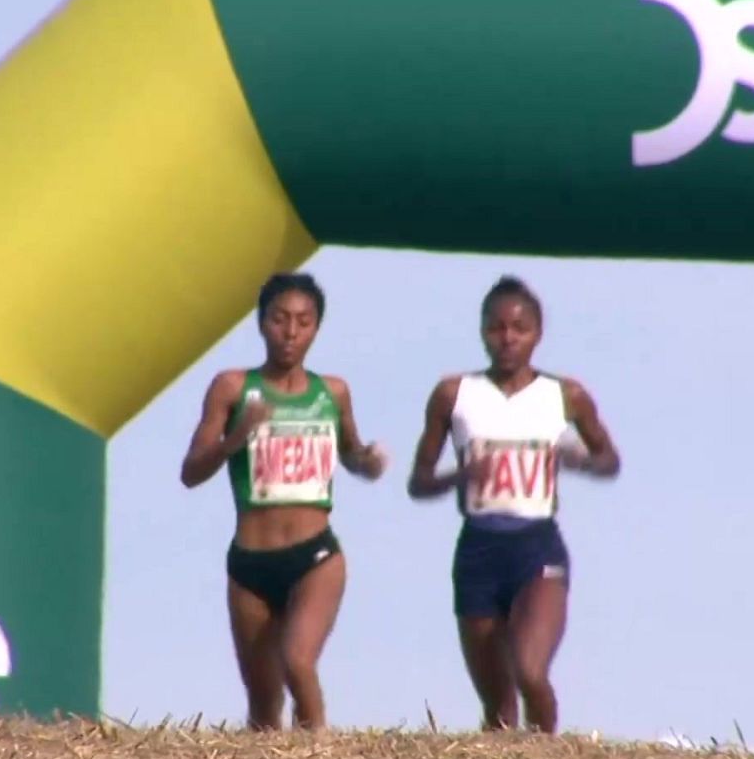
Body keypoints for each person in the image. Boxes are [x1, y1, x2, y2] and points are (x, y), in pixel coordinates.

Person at [406, 276, 621, 734]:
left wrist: (578, 461)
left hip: (537, 547)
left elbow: (609, 459)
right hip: (478, 551)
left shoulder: (565, 396)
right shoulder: (453, 395)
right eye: (496, 329)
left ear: (537, 334)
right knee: (498, 706)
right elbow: (419, 482)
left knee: (529, 671)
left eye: (518, 329)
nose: (507, 340)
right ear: (482, 332)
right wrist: (460, 475)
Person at [180, 272, 387, 731]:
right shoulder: (232, 388)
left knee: (298, 661)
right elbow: (190, 472)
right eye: (280, 320)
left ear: (316, 328)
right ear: (261, 324)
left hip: (314, 556)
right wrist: (237, 436)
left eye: (303, 322)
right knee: (262, 704)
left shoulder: (332, 392)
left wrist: (369, 462)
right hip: (251, 564)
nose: (291, 333)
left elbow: (351, 453)